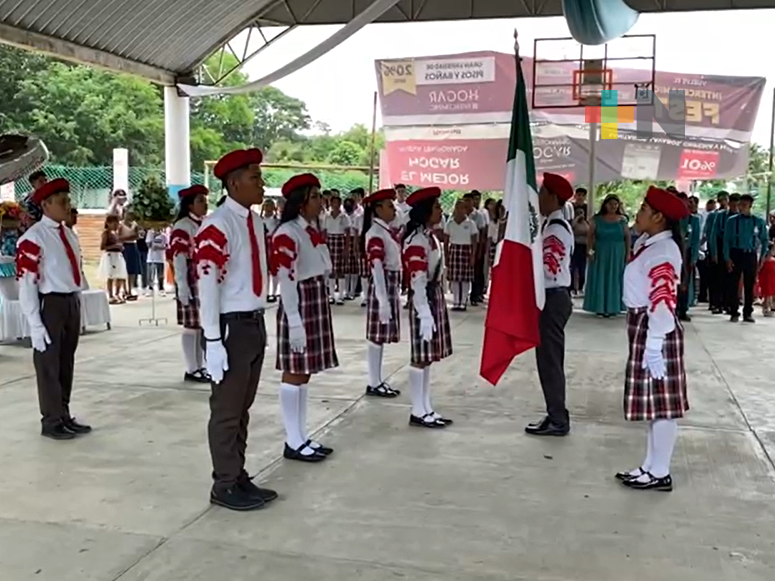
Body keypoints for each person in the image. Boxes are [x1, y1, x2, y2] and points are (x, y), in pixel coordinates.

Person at [194, 148, 277, 511]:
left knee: (242, 408)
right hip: (229, 326)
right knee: (227, 410)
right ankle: (224, 483)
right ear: (234, 183)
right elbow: (208, 284)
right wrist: (212, 339)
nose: (262, 184)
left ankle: (237, 473)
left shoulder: (255, 222)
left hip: (253, 321)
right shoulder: (218, 224)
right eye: (255, 177)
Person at [617, 186, 689, 492]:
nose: (639, 212)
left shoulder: (663, 251)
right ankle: (650, 465)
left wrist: (654, 345)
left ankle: (660, 471)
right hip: (644, 325)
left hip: (655, 328)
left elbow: (663, 299)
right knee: (654, 403)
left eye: (644, 209)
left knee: (663, 405)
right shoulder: (652, 244)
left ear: (659, 218)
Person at [15, 178, 91, 440]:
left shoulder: (67, 233)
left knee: (65, 361)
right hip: (51, 303)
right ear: (46, 204)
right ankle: (51, 419)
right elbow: (27, 283)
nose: (68, 206)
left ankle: (63, 413)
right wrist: (35, 323)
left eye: (68, 201)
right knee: (48, 363)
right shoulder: (33, 238)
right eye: (62, 201)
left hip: (70, 300)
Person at [271, 173, 338, 463]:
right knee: (295, 370)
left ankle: (300, 435)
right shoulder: (287, 233)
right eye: (314, 197)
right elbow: (286, 279)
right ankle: (292, 440)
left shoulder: (310, 230)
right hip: (299, 300)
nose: (320, 202)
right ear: (299, 203)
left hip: (314, 299)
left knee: (305, 372)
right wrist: (294, 320)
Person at [525, 173, 575, 437]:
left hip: (552, 298)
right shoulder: (550, 225)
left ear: (554, 198)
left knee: (551, 361)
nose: (539, 198)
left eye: (543, 193)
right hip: (552, 297)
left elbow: (549, 270)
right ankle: (554, 413)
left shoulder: (556, 230)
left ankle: (558, 418)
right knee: (547, 360)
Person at [402, 186, 453, 428]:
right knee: (420, 356)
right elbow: (417, 279)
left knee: (428, 357)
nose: (440, 210)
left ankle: (426, 407)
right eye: (436, 207)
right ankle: (417, 410)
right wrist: (423, 312)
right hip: (424, 298)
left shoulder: (429, 236)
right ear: (425, 211)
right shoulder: (417, 241)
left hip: (433, 296)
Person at [362, 188, 402, 398]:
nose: (393, 209)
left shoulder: (385, 230)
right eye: (388, 205)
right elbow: (377, 266)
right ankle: (374, 381)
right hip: (382, 284)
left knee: (380, 336)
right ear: (377, 209)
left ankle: (377, 380)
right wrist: (382, 299)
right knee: (376, 336)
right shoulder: (376, 233)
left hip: (388, 283)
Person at [170, 184, 211, 383]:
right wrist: (182, 287)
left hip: (203, 277)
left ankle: (200, 366)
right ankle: (191, 368)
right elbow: (178, 258)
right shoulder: (182, 226)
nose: (205, 204)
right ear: (189, 205)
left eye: (205, 200)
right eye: (200, 201)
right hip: (190, 278)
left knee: (201, 325)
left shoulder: (203, 223)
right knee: (191, 326)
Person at [723, 193, 768, 323]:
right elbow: (726, 240)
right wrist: (727, 257)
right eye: (740, 205)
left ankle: (748, 312)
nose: (741, 207)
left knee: (750, 284)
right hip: (736, 253)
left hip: (750, 254)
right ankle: (734, 311)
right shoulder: (732, 221)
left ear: (750, 206)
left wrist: (762, 257)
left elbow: (764, 240)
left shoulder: (758, 222)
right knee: (733, 283)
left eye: (744, 205)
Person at [583, 194, 630, 317]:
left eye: (615, 204)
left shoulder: (622, 220)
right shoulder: (596, 219)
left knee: (615, 278)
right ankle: (599, 307)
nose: (613, 206)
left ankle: (613, 307)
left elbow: (627, 238)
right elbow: (590, 237)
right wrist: (590, 252)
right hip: (600, 252)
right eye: (610, 204)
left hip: (617, 253)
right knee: (601, 277)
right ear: (605, 205)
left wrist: (628, 254)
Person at [443, 199, 477, 311]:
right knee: (455, 279)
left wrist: (473, 256)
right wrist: (447, 255)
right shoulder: (450, 223)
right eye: (457, 207)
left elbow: (474, 241)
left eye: (462, 208)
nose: (459, 210)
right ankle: (456, 301)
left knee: (465, 279)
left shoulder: (470, 223)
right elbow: (446, 240)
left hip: (466, 250)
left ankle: (463, 302)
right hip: (454, 249)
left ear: (465, 210)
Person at [707, 191, 735, 314]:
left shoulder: (740, 217)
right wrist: (714, 252)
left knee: (731, 278)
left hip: (733, 248)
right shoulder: (719, 215)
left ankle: (728, 304)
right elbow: (713, 234)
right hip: (720, 246)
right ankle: (716, 303)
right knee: (717, 277)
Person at [322, 192, 350, 305]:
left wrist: (347, 247)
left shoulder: (344, 217)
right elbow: (324, 232)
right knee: (331, 269)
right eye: (333, 203)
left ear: (340, 204)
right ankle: (332, 295)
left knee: (340, 270)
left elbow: (347, 233)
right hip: (330, 240)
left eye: (337, 203)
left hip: (340, 240)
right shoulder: (326, 216)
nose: (335, 205)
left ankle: (341, 296)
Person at [676, 193, 700, 322]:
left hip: (688, 253)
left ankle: (683, 309)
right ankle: (673, 308)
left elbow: (696, 240)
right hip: (674, 251)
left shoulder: (694, 220)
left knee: (685, 282)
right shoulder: (674, 219)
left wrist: (694, 257)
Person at [465, 191, 488, 305]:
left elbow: (483, 232)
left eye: (475, 199)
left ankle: (475, 295)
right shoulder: (460, 214)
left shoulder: (479, 215)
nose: (473, 202)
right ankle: (463, 296)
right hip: (464, 245)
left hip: (476, 244)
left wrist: (480, 249)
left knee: (477, 272)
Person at [99, 214, 128, 303]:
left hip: (118, 255)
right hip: (110, 256)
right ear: (108, 223)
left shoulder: (116, 233)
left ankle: (117, 293)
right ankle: (110, 295)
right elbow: (102, 247)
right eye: (114, 223)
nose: (116, 225)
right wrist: (114, 246)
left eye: (117, 223)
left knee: (120, 275)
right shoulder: (106, 233)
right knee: (111, 276)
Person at [119, 211, 141, 300]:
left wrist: (132, 236)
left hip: (133, 246)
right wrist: (129, 237)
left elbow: (137, 236)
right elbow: (119, 237)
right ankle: (124, 289)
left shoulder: (135, 224)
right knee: (125, 268)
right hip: (125, 246)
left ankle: (131, 287)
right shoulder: (121, 225)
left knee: (132, 269)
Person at [261, 198, 279, 302]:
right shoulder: (260, 220)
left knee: (274, 269)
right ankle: (266, 292)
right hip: (263, 246)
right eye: (266, 206)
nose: (268, 208)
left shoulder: (276, 221)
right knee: (264, 270)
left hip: (273, 245)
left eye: (270, 206)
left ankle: (274, 292)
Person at [570, 205, 589, 295]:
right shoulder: (574, 223)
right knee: (574, 268)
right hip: (575, 246)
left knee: (582, 269)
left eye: (582, 213)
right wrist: (577, 218)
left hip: (583, 247)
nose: (580, 215)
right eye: (578, 213)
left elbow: (589, 232)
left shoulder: (586, 223)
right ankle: (573, 288)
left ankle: (581, 287)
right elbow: (572, 227)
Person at [145, 227, 168, 296]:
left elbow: (166, 246)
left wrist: (159, 247)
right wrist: (153, 236)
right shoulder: (150, 233)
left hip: (160, 258)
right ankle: (150, 288)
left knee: (160, 274)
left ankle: (161, 288)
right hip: (151, 257)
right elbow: (148, 245)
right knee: (150, 274)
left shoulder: (163, 235)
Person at [757, 244, 775, 317]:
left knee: (770, 293)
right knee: (767, 293)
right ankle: (766, 307)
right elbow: (760, 269)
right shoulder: (764, 260)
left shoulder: (773, 260)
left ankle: (770, 306)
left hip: (772, 278)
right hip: (766, 278)